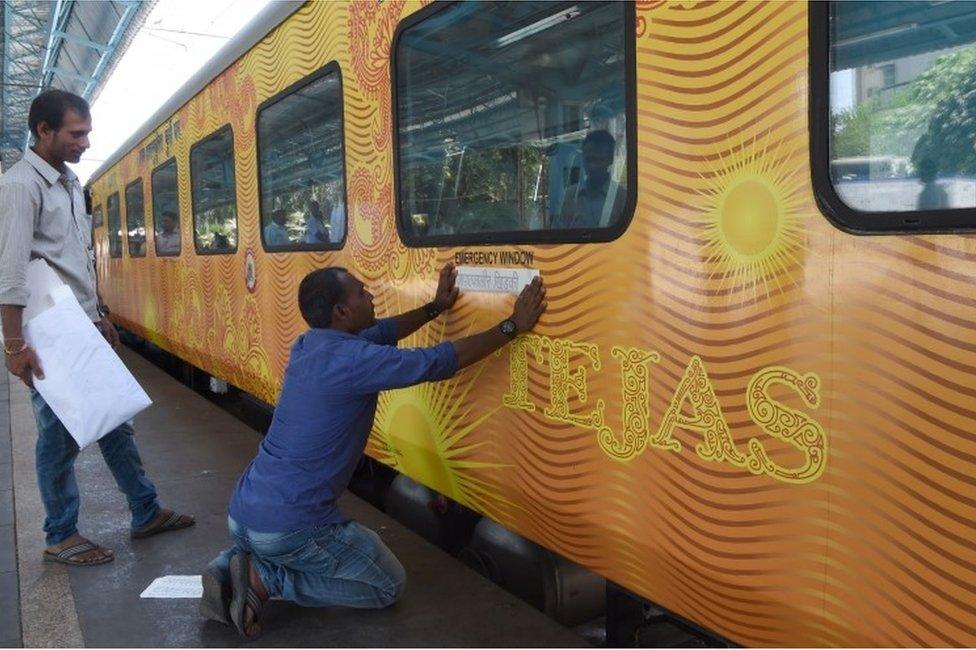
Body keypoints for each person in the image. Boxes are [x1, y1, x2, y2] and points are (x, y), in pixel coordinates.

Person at [201, 263, 547, 639]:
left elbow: (384, 331)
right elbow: (438, 362)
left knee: (305, 547)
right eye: (362, 293)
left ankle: (231, 565)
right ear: (342, 312)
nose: (371, 296)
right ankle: (266, 578)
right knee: (385, 585)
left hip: (243, 513)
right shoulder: (355, 361)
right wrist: (512, 327)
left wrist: (435, 307)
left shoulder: (309, 345)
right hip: (289, 526)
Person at [0, 89, 194, 567]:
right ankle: (60, 533)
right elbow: (10, 273)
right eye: (76, 133)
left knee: (114, 421)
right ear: (44, 131)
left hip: (81, 321)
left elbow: (76, 260)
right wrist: (13, 345)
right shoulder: (20, 185)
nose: (85, 142)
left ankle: (144, 510)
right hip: (50, 329)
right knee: (58, 434)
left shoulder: (67, 182)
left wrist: (100, 312)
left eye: (86, 133)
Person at [554, 129, 626, 229]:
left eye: (599, 160)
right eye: (589, 159)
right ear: (583, 158)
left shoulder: (622, 198)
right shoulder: (569, 196)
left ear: (611, 160)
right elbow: (558, 235)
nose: (592, 166)